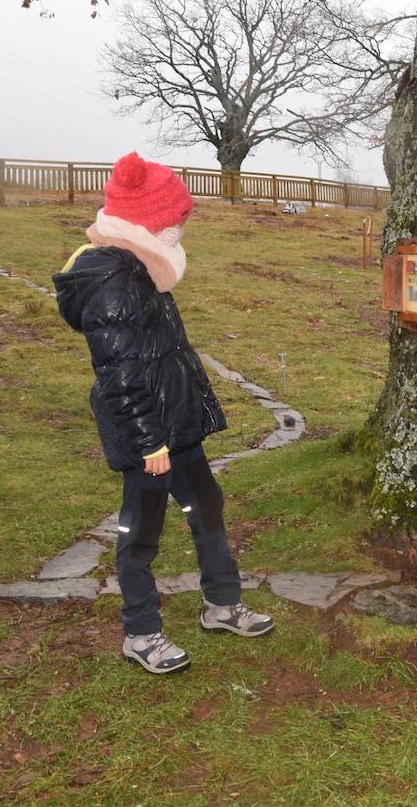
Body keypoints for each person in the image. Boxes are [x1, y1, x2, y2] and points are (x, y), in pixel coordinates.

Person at [53, 152, 273, 675]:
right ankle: (142, 633)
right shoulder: (114, 284)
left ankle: (221, 604)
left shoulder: (139, 270)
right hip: (147, 436)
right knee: (141, 531)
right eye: (175, 220)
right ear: (146, 224)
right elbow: (121, 375)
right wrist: (150, 443)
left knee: (206, 508)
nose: (180, 230)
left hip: (175, 427)